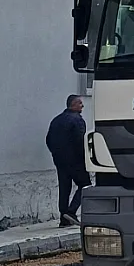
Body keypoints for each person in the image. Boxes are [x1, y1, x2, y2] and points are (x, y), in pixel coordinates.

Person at [46, 95, 90, 226]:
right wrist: (84, 158)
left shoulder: (56, 120)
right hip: (75, 160)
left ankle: (63, 218)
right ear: (73, 105)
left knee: (64, 187)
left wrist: (56, 154)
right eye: (80, 103)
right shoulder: (77, 120)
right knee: (85, 185)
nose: (82, 106)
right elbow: (80, 141)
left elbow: (48, 140)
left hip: (59, 160)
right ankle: (71, 212)